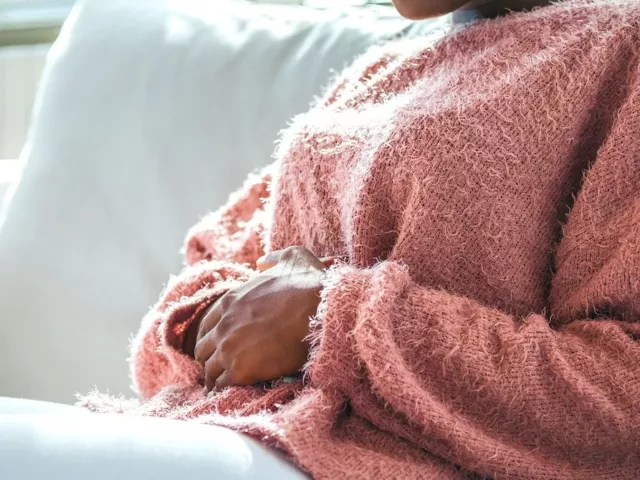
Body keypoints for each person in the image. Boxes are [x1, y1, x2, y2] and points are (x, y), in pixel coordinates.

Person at [21, 0, 640, 478]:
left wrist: (328, 318)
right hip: (223, 431)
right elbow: (193, 308)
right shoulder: (375, 75)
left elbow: (623, 404)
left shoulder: (622, 54)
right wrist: (217, 325)